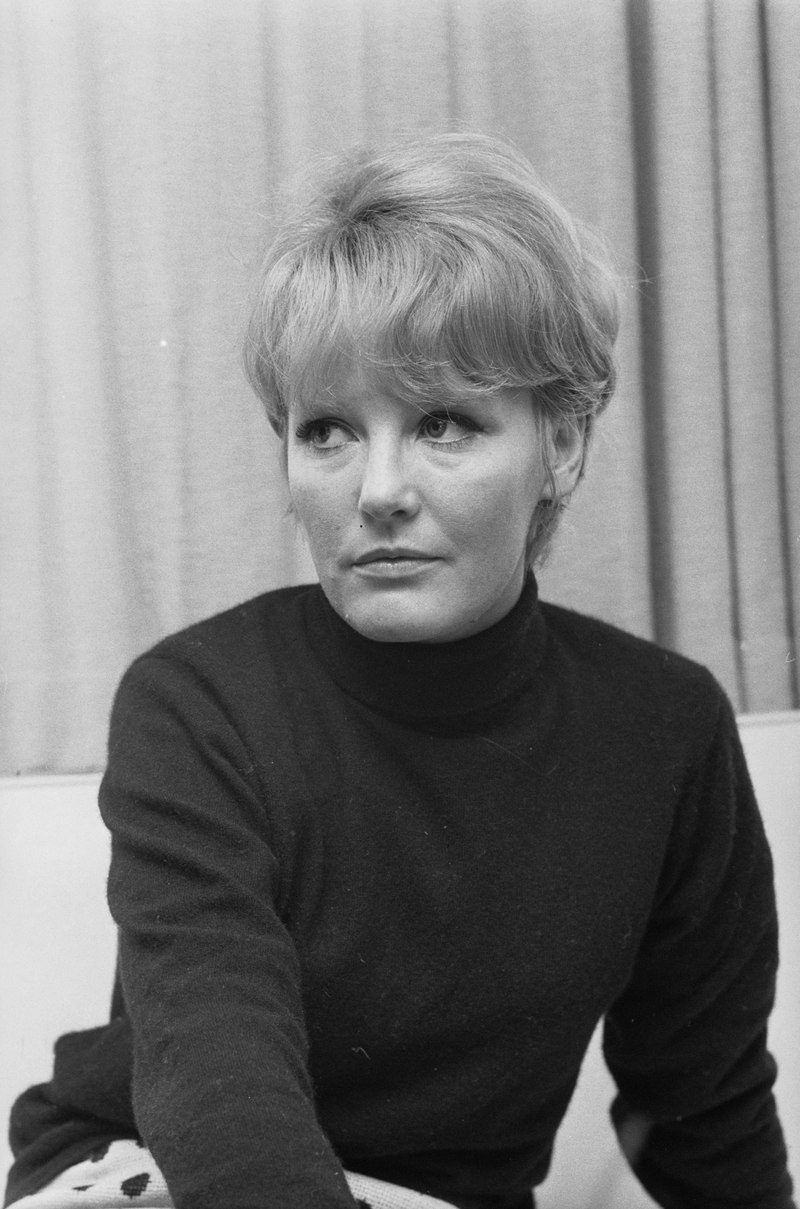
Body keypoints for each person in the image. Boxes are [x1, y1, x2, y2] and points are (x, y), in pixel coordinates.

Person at [4, 133, 795, 1209]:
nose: (376, 490)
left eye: (441, 423)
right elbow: (221, 1094)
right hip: (166, 1174)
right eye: (327, 430)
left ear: (561, 444)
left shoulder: (665, 727)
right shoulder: (196, 702)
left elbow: (706, 1113)